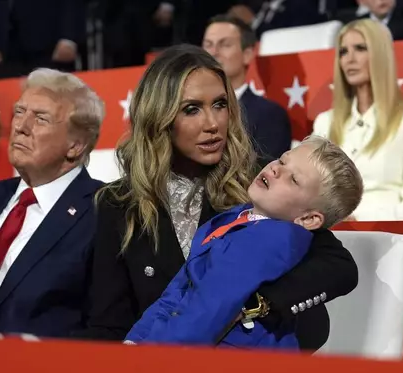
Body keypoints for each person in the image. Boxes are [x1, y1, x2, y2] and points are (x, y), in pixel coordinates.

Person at [78, 44, 358, 351]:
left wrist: (256, 303)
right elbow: (108, 322)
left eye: (220, 104)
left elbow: (339, 266)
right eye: (192, 109)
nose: (213, 124)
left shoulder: (259, 181)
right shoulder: (117, 203)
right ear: (159, 118)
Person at [125, 136, 363, 348]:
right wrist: (135, 340)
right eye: (282, 161)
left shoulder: (271, 239)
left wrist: (151, 362)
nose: (276, 170)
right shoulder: (234, 217)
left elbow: (210, 309)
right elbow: (176, 293)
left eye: (294, 180)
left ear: (309, 218)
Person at [0, 68, 105, 336]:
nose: (20, 126)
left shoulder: (104, 211)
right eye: (19, 112)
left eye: (40, 118)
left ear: (75, 145)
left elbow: (102, 326)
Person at [313, 19, 403, 220]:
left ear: (381, 56)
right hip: (332, 235)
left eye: (360, 48)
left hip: (390, 238)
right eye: (343, 52)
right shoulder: (325, 122)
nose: (349, 59)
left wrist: (358, 218)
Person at [203, 15, 291, 166]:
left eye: (224, 45)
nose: (213, 52)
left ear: (247, 55)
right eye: (208, 45)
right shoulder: (186, 108)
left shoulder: (269, 114)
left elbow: (263, 174)